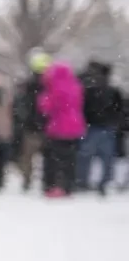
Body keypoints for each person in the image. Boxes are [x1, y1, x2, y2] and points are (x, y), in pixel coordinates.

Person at [37, 62, 86, 197]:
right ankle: (68, 186)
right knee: (70, 160)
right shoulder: (76, 86)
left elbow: (46, 106)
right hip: (75, 127)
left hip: (57, 127)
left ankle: (52, 186)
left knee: (53, 159)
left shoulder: (54, 87)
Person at [79, 61, 122, 196]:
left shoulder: (89, 89)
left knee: (86, 156)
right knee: (107, 158)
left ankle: (83, 181)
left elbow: (84, 108)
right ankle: (104, 182)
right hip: (108, 127)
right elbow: (119, 109)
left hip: (92, 126)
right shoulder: (113, 90)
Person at [13, 50, 51, 191]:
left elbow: (21, 107)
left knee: (28, 157)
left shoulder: (27, 86)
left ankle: (27, 181)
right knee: (44, 156)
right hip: (45, 126)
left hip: (32, 126)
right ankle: (46, 181)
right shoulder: (49, 85)